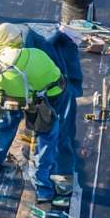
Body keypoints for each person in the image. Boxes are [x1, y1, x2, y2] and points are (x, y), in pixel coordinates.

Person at [0, 23, 68, 207]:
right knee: (46, 136)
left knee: (0, 125)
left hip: (8, 104)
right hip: (37, 103)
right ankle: (42, 185)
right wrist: (49, 104)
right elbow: (57, 84)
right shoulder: (38, 56)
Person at [23, 23, 84, 190]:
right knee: (63, 130)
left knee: (47, 129)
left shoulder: (31, 44)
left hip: (49, 93)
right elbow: (73, 72)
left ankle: (53, 169)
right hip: (61, 90)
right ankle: (62, 172)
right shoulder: (63, 42)